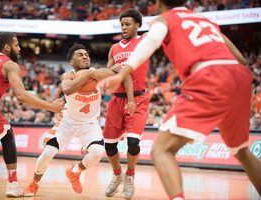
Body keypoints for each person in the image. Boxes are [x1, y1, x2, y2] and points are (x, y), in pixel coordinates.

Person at [98, 0, 261, 199]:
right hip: (240, 78)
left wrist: (124, 70)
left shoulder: (165, 19)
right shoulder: (203, 19)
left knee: (161, 151)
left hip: (209, 77)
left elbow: (150, 42)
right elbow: (241, 60)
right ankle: (118, 176)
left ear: (158, 3)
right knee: (242, 152)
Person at [0, 32, 64, 197]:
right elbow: (21, 96)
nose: (20, 49)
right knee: (7, 135)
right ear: (7, 47)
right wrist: (51, 107)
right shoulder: (9, 64)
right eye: (17, 45)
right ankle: (12, 185)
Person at [23, 43, 115, 196]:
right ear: (72, 62)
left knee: (98, 152)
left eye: (86, 54)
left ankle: (75, 172)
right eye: (80, 55)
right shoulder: (68, 75)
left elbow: (111, 74)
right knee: (48, 153)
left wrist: (93, 73)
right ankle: (34, 184)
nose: (85, 56)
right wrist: (88, 75)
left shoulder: (96, 72)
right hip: (67, 122)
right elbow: (67, 88)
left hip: (90, 123)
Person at [103, 8, 151, 199]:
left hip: (137, 99)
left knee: (133, 143)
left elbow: (161, 33)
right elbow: (107, 71)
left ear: (137, 25)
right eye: (122, 24)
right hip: (116, 99)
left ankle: (130, 176)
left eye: (128, 24)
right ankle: (117, 176)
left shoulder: (144, 41)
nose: (124, 27)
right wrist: (112, 68)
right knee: (110, 147)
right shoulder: (114, 48)